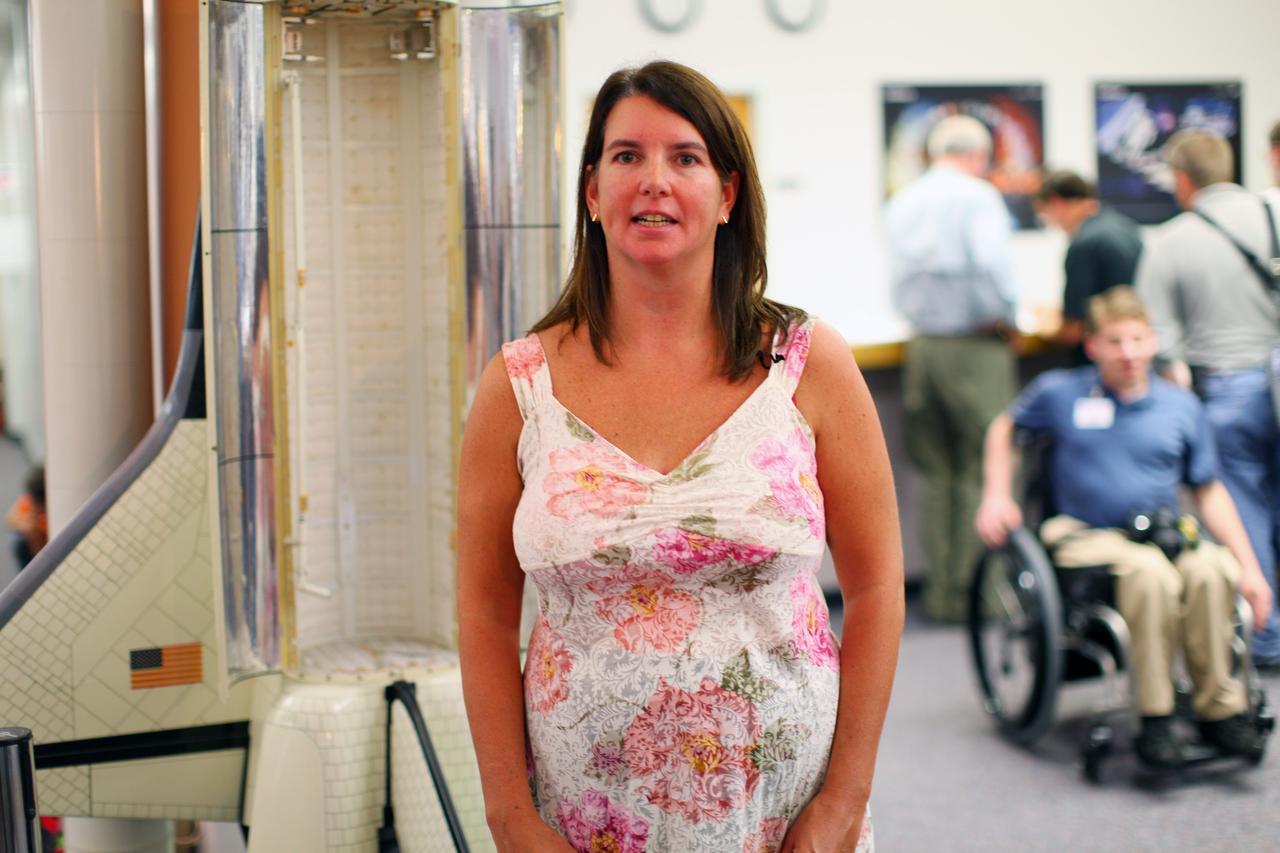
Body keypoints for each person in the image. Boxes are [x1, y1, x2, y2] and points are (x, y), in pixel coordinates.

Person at [456, 61, 903, 853]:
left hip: (783, 817)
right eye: (626, 156)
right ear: (592, 192)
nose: (653, 180)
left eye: (685, 157)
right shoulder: (519, 386)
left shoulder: (808, 365)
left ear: (728, 194)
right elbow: (486, 613)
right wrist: (510, 817)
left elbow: (875, 587)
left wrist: (844, 799)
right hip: (583, 823)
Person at [975, 286, 1273, 768]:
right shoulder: (1060, 392)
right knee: (1150, 573)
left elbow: (1209, 491)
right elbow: (1004, 428)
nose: (1128, 353)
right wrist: (995, 493)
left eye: (1137, 339)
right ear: (1093, 346)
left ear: (1153, 341)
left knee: (1212, 568)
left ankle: (1222, 711)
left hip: (1160, 533)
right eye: (1115, 341)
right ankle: (1154, 718)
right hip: (1081, 535)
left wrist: (1251, 569)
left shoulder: (1181, 406)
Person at [1134, 129, 1280, 670]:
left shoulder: (1171, 241)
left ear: (1182, 179)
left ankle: (1266, 637)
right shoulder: (1273, 215)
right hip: (1277, 371)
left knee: (1246, 511)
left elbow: (1162, 347)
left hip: (1227, 388)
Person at [884, 114, 1018, 623]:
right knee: (987, 467)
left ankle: (942, 597)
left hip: (924, 346)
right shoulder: (976, 196)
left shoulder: (904, 200)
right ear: (977, 155)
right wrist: (1009, 316)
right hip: (974, 346)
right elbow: (991, 264)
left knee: (936, 472)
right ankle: (982, 596)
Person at [1035, 169, 1143, 361]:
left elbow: (1074, 329)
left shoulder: (1083, 245)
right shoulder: (1126, 227)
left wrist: (1041, 332)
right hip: (1134, 348)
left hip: (1100, 360)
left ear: (1056, 202)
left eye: (1044, 214)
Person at [7, 465, 47, 570]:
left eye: (35, 503)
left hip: (44, 554)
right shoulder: (32, 498)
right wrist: (25, 526)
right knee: (18, 538)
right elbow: (10, 519)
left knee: (20, 543)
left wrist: (34, 537)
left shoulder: (51, 521)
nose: (31, 506)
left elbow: (44, 562)